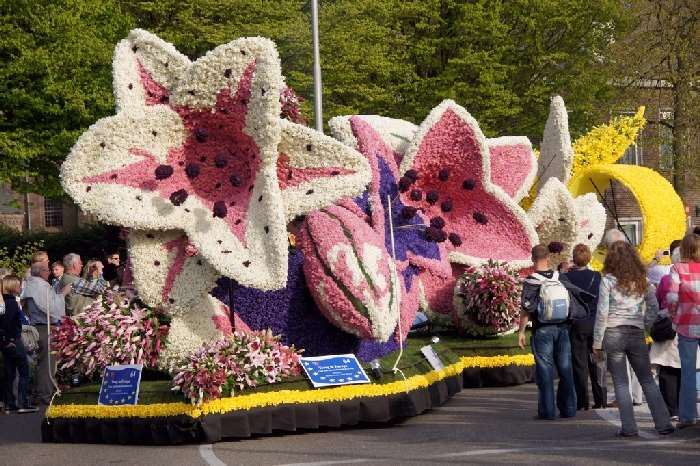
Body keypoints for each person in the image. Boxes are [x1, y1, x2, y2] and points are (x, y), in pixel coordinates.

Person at [593, 241, 674, 437]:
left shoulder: (608, 281)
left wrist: (597, 342)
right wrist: (645, 324)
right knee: (647, 379)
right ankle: (663, 423)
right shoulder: (641, 280)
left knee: (621, 382)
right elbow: (654, 307)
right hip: (636, 331)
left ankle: (629, 427)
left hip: (613, 331)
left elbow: (602, 313)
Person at [519, 244, 577, 420]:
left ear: (532, 259)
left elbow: (526, 309)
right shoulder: (560, 277)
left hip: (542, 329)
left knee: (545, 370)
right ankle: (568, 409)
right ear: (548, 258)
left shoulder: (531, 280)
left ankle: (548, 411)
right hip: (563, 328)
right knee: (566, 368)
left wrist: (521, 331)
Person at [21, 263, 69, 405]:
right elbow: (49, 307)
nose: (49, 272)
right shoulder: (40, 285)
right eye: (47, 270)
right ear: (41, 272)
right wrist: (63, 294)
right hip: (45, 327)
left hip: (38, 326)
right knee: (47, 364)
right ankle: (44, 396)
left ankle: (39, 393)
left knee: (42, 363)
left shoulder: (31, 284)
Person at [564, 244, 605, 410]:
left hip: (578, 323)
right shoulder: (597, 276)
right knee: (597, 362)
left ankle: (582, 401)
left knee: (579, 363)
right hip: (595, 324)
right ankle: (600, 399)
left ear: (574, 258)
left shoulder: (567, 278)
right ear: (589, 257)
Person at [666, 232, 700, 428]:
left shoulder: (677, 268)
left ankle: (688, 416)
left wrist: (673, 316)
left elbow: (672, 298)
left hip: (686, 325)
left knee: (687, 372)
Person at [0, 275, 36, 413]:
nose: (21, 287)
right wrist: (8, 340)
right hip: (13, 340)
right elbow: (8, 323)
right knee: (23, 371)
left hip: (6, 341)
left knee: (9, 373)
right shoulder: (12, 303)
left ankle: (10, 403)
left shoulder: (4, 302)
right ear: (13, 286)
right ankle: (22, 402)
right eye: (19, 285)